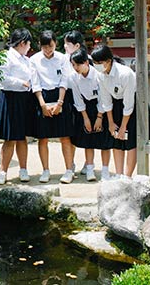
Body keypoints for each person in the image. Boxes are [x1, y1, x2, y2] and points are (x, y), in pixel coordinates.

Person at [31, 30, 74, 183]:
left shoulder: (63, 58)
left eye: (51, 46)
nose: (48, 50)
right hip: (42, 96)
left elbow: (65, 80)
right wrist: (42, 104)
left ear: (55, 43)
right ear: (40, 46)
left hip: (60, 95)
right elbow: (34, 83)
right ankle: (45, 170)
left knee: (65, 136)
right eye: (45, 47)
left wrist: (60, 102)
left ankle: (69, 170)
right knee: (43, 138)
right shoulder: (34, 59)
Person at [0, 28, 36, 185]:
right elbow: (2, 79)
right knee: (10, 138)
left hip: (25, 98)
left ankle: (23, 169)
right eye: (28, 43)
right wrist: (21, 83)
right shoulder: (6, 56)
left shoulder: (26, 59)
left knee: (22, 136)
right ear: (23, 43)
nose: (29, 47)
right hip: (11, 98)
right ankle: (3, 171)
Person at [91, 44, 138, 177]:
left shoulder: (125, 73)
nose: (96, 65)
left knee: (130, 141)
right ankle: (118, 174)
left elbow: (129, 103)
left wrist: (123, 126)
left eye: (99, 62)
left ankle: (127, 177)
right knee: (115, 139)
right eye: (94, 63)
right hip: (115, 105)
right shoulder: (100, 75)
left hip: (133, 105)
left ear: (108, 61)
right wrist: (111, 122)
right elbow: (106, 100)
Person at [69, 48, 114, 181]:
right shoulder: (73, 77)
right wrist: (86, 118)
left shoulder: (98, 75)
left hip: (102, 107)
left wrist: (99, 117)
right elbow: (77, 99)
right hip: (85, 109)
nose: (75, 68)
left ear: (86, 63)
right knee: (88, 140)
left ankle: (105, 170)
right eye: (73, 65)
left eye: (78, 64)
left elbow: (104, 97)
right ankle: (90, 169)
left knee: (105, 141)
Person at [63, 30, 87, 176]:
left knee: (85, 131)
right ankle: (70, 164)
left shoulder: (86, 59)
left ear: (77, 45)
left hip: (85, 96)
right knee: (69, 132)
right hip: (68, 96)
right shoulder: (63, 59)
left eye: (68, 44)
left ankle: (88, 163)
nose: (65, 46)